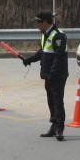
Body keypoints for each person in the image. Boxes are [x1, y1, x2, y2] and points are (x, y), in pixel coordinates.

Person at [20, 10, 69, 141]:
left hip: (57, 75)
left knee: (58, 102)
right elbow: (43, 51)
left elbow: (59, 58)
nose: (37, 24)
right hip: (48, 75)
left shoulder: (58, 36)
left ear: (45, 22)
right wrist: (30, 59)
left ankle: (59, 128)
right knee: (51, 101)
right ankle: (54, 126)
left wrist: (52, 74)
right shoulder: (45, 34)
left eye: (38, 22)